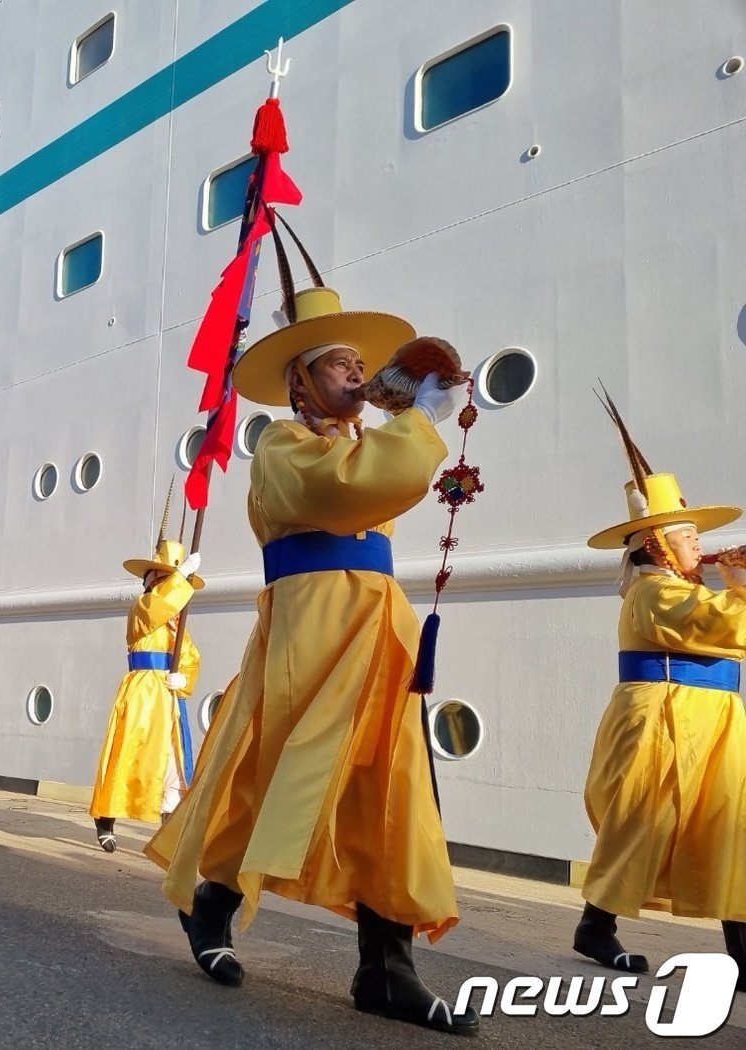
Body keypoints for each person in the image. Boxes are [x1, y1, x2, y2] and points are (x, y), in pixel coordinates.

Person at [145, 285, 477, 1035]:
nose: (357, 372)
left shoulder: (362, 441)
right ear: (300, 382)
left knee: (387, 791)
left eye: (363, 362)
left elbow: (380, 476)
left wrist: (413, 411)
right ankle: (213, 904)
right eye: (339, 362)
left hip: (375, 628)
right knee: (281, 777)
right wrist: (419, 417)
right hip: (312, 628)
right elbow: (344, 494)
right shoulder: (282, 447)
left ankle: (385, 969)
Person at [577, 417, 746, 989]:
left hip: (711, 721)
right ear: (656, 545)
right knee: (644, 825)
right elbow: (720, 624)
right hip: (664, 722)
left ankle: (742, 951)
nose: (699, 542)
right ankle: (595, 926)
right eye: (688, 535)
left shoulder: (678, 587)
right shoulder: (654, 592)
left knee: (730, 829)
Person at [89, 511, 202, 852]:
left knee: (171, 760)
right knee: (128, 753)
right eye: (163, 579)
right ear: (152, 581)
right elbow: (159, 606)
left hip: (166, 696)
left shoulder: (175, 625)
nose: (168, 585)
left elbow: (191, 657)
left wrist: (183, 679)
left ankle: (169, 829)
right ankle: (105, 818)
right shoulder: (143, 608)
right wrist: (181, 576)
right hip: (141, 692)